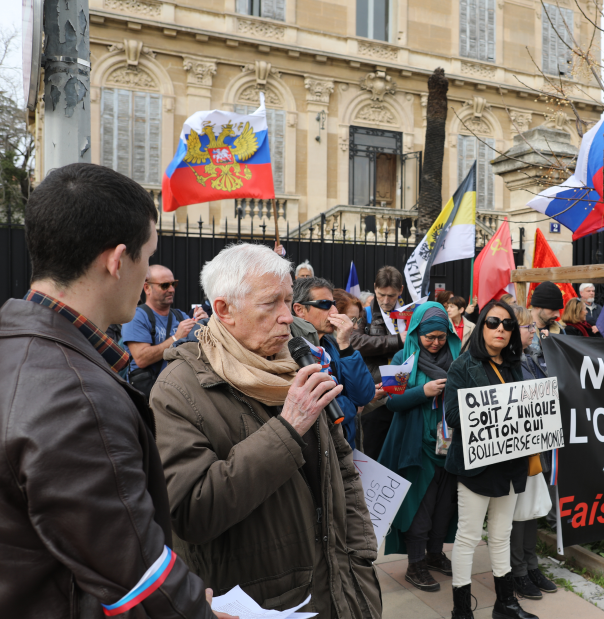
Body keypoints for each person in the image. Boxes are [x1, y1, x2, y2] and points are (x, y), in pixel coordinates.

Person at [0, 163, 224, 618]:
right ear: (118, 260)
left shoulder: (18, 343)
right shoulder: (77, 398)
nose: (148, 278)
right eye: (147, 258)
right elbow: (137, 577)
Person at [150, 243, 382, 617]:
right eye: (270, 303)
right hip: (267, 601)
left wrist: (359, 555)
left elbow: (342, 468)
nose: (287, 317)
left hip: (341, 586)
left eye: (289, 301)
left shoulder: (296, 363)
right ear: (224, 309)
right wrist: (288, 429)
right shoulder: (179, 388)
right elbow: (191, 512)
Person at [445, 301, 537, 619]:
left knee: (501, 535)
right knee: (468, 536)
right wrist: (496, 409)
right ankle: (461, 609)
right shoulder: (462, 366)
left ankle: (506, 603)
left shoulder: (514, 366)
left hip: (511, 464)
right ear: (482, 325)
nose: (501, 329)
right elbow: (453, 415)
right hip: (477, 465)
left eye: (508, 325)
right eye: (494, 322)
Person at [379, 303, 460, 592]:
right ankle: (415, 564)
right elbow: (390, 401)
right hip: (416, 447)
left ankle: (435, 555)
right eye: (430, 338)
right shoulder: (402, 357)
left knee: (444, 507)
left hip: (450, 447)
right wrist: (422, 392)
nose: (436, 343)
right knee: (419, 507)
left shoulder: (459, 357)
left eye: (441, 337)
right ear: (416, 333)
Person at [292, 276, 376, 450]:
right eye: (324, 304)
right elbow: (321, 412)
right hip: (318, 451)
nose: (334, 312)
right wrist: (352, 406)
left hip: (345, 447)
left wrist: (345, 344)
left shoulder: (333, 343)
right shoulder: (294, 348)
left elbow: (364, 395)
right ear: (300, 310)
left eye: (334, 303)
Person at [509, 306, 558, 600]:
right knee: (518, 512)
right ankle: (518, 571)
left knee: (532, 509)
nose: (534, 332)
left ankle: (531, 564)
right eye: (529, 328)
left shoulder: (531, 357)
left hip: (536, 444)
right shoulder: (512, 362)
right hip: (519, 447)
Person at [122, 264, 205, 399]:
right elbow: (141, 359)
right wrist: (176, 338)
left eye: (174, 284)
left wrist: (203, 325)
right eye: (165, 285)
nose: (171, 289)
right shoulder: (137, 317)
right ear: (147, 288)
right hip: (148, 395)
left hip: (177, 392)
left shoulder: (180, 316)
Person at [350, 265, 407, 458]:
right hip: (376, 393)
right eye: (381, 294)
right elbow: (354, 342)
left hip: (405, 390)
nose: (385, 300)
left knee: (399, 454)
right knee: (373, 452)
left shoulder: (410, 314)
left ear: (400, 290)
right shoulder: (364, 313)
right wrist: (397, 341)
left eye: (391, 296)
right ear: (374, 288)